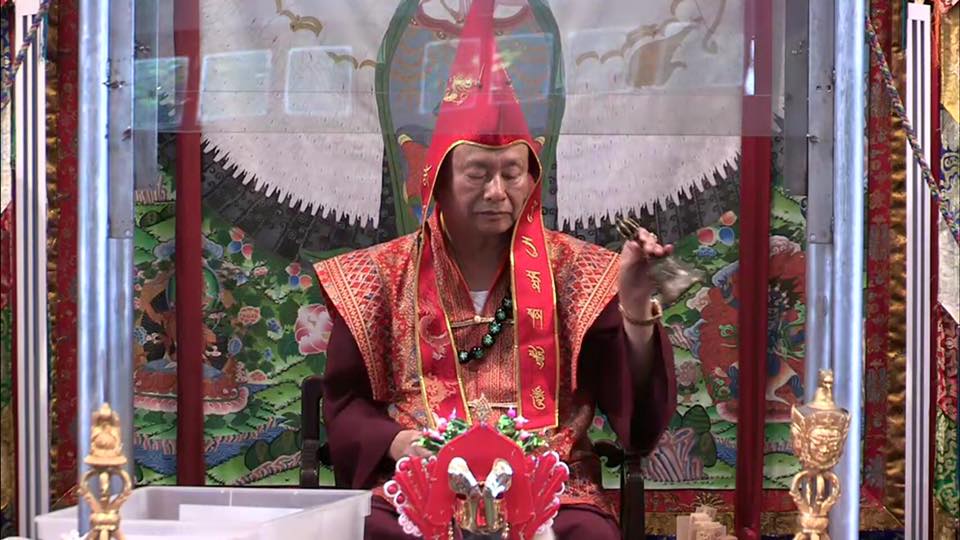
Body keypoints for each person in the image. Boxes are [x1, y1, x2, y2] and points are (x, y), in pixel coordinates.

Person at [314, 1, 676, 537]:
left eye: (512, 172)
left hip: (551, 483)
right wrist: (400, 443)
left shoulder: (580, 273)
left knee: (589, 535)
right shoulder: (379, 277)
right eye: (478, 173)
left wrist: (636, 310)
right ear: (437, 179)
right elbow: (346, 404)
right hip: (423, 478)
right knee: (376, 530)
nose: (497, 192)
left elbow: (637, 417)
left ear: (533, 177)